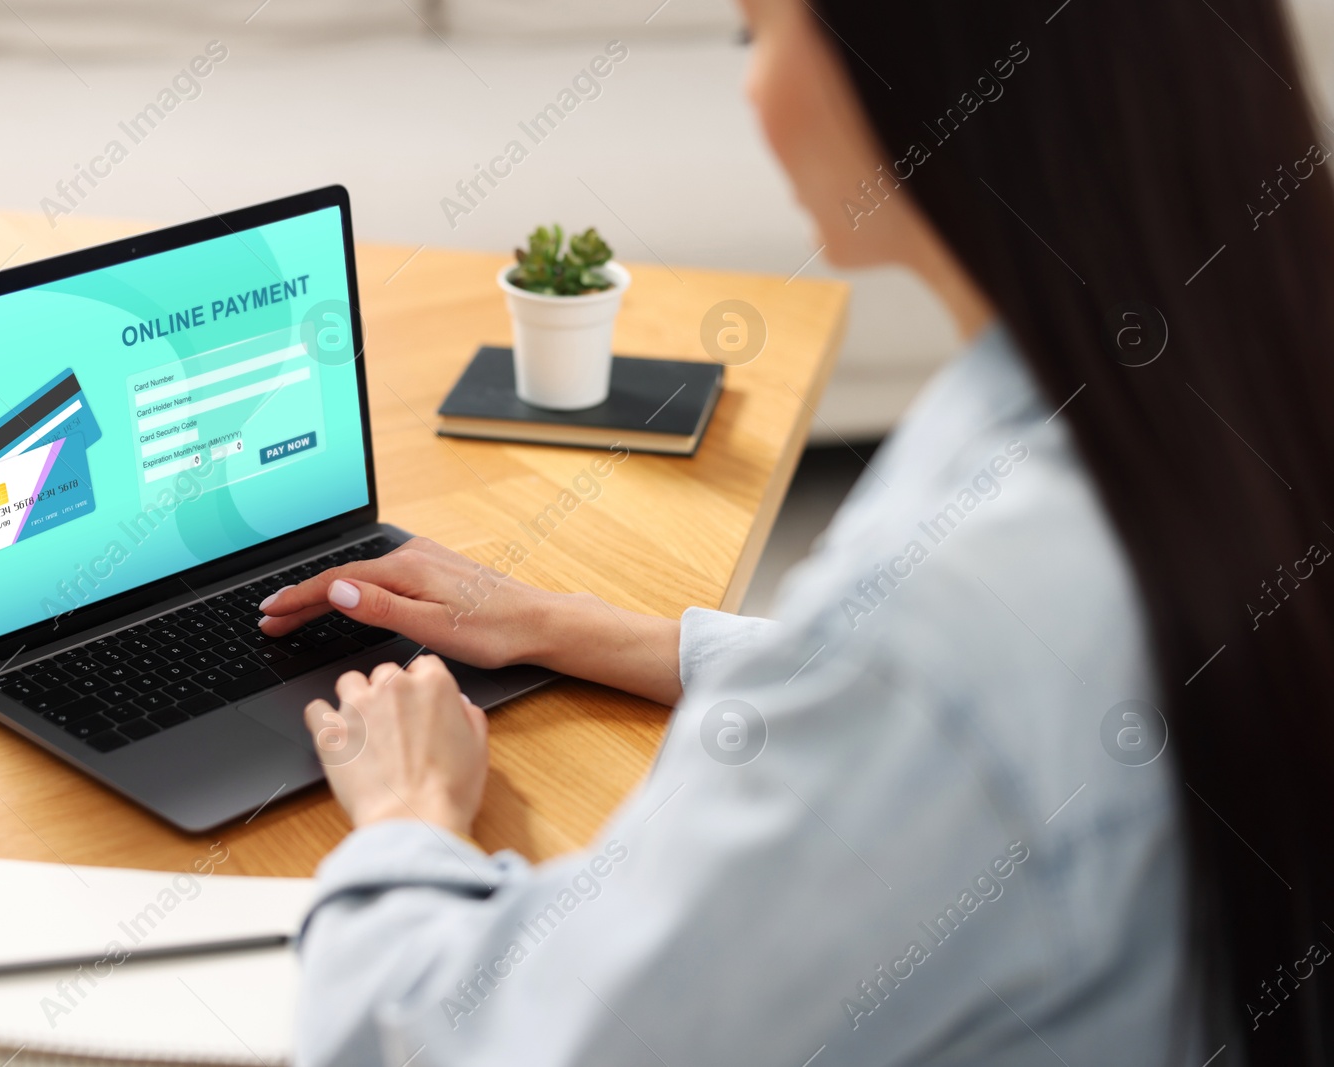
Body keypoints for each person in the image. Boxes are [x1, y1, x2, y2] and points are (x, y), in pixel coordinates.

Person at [260, 0, 1334, 1062]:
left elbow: (501, 1043)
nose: (750, 85)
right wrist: (560, 621)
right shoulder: (1218, 387)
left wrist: (405, 818)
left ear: (913, 61)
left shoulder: (952, 624)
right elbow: (969, 696)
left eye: (758, 32)